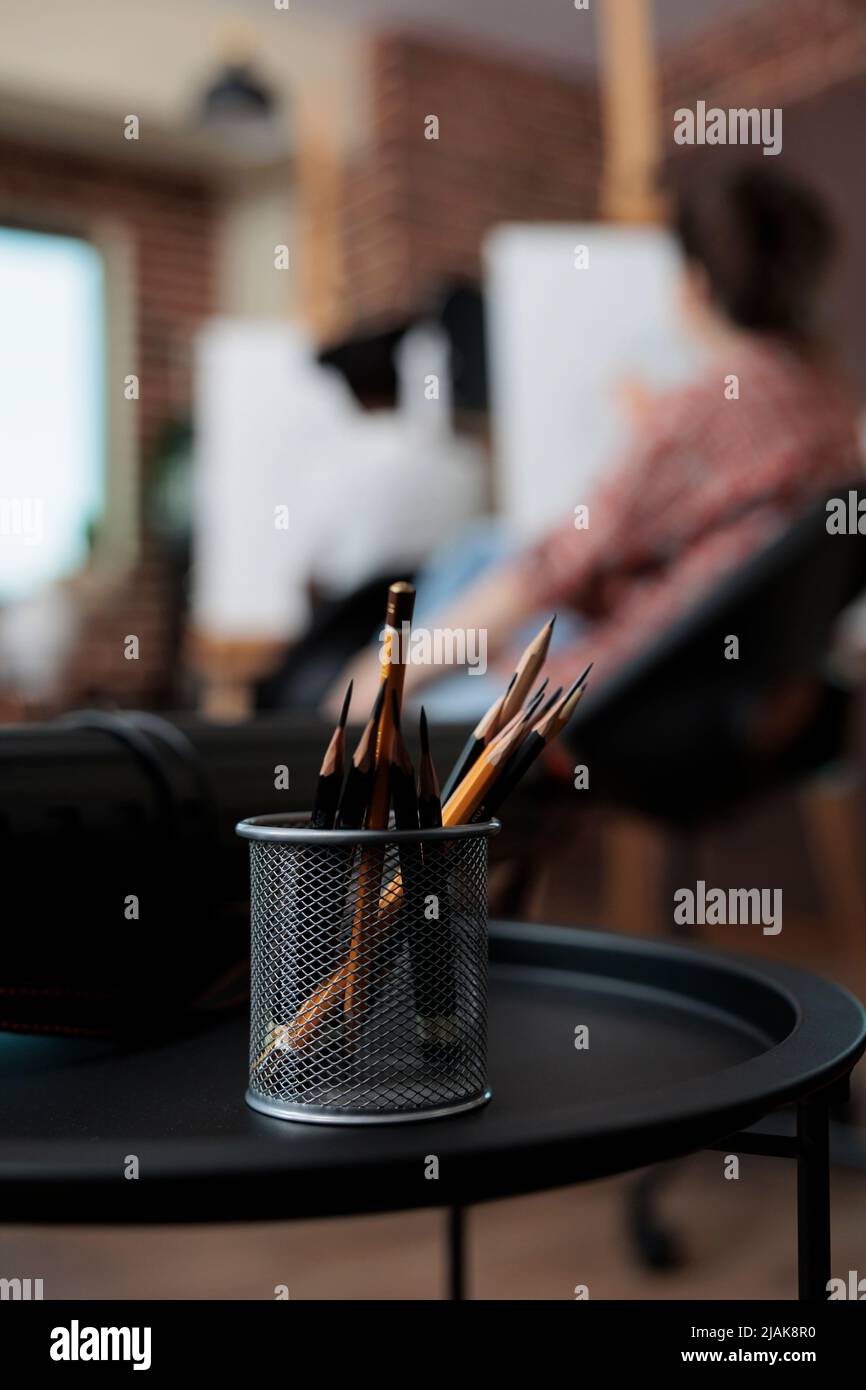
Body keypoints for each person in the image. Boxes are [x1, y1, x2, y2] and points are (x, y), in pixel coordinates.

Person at [329, 167, 864, 720]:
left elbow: (550, 569)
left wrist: (389, 674)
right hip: (762, 691)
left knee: (467, 584)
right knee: (485, 551)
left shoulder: (701, 411)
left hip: (623, 696)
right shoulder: (832, 398)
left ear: (696, 284)